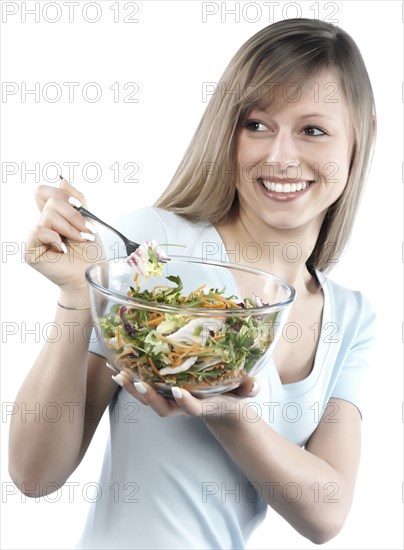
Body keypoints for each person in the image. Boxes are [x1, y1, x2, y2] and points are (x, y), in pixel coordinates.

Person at [9, 17, 376, 550]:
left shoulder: (352, 315)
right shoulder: (151, 248)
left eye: (313, 129)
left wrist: (227, 412)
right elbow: (33, 474)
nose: (280, 157)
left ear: (361, 135)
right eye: (257, 124)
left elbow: (326, 514)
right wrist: (75, 298)